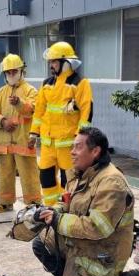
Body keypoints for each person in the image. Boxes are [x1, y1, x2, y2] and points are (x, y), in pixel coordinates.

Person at [31, 127, 139, 276]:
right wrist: (51, 212)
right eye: (72, 147)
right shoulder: (80, 174)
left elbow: (97, 227)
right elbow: (66, 202)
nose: (72, 152)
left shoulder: (112, 182)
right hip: (84, 243)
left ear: (95, 151)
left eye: (78, 147)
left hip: (104, 252)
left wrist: (59, 220)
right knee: (41, 243)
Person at [29, 41, 93, 206]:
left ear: (66, 62)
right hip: (48, 144)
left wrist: (81, 137)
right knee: (46, 178)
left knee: (69, 181)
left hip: (68, 145)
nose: (51, 65)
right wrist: (33, 133)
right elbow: (39, 111)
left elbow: (86, 111)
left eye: (54, 62)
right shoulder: (47, 84)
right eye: (50, 62)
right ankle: (51, 209)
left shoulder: (80, 83)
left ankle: (67, 209)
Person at [0, 54, 41, 212]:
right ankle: (5, 202)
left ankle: (34, 204)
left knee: (29, 173)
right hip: (4, 143)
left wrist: (19, 103)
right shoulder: (1, 93)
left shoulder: (30, 90)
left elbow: (32, 110)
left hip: (23, 141)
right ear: (4, 74)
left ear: (21, 71)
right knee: (5, 174)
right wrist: (2, 121)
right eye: (8, 72)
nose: (11, 74)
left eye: (14, 71)